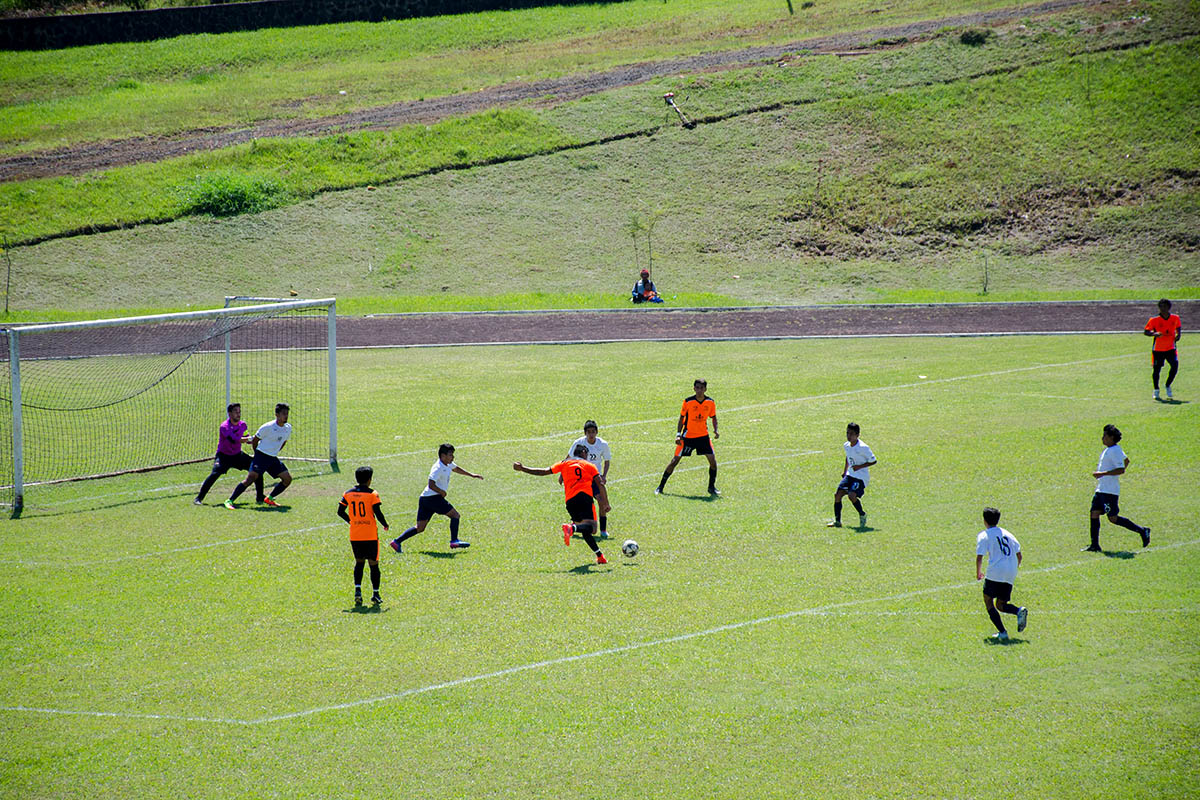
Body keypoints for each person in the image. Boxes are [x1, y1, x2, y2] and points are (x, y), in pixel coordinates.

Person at [513, 444, 611, 565]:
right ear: (583, 453)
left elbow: (543, 472)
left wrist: (523, 468)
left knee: (584, 529)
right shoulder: (589, 466)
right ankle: (572, 528)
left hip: (570, 502)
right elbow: (600, 484)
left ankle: (600, 556)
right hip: (584, 498)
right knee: (592, 528)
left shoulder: (564, 463)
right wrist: (605, 503)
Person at [388, 444, 482, 553]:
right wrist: (441, 492)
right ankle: (454, 541)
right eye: (450, 455)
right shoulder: (438, 468)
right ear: (443, 456)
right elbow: (431, 484)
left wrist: (472, 475)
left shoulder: (447, 464)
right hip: (433, 498)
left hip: (425, 498)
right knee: (455, 515)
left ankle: (396, 542)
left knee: (420, 527)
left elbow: (456, 469)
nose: (453, 457)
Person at [1084, 424, 1151, 552]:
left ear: (1111, 437)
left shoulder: (1114, 450)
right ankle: (1094, 545)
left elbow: (1121, 469)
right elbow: (1126, 461)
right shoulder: (1112, 449)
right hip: (1101, 489)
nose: (1102, 438)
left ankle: (1142, 531)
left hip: (1110, 491)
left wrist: (1102, 474)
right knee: (1094, 513)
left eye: (1105, 436)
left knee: (1113, 518)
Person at [337, 465, 389, 607]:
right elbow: (377, 512)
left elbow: (340, 511)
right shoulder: (373, 494)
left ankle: (358, 591)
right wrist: (385, 523)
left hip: (355, 535)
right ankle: (376, 594)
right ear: (369, 479)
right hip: (370, 535)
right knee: (374, 565)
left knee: (359, 563)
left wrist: (351, 521)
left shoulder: (348, 493)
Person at [656, 379, 719, 496]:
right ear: (694, 388)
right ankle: (660, 487)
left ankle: (711, 488)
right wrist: (678, 434)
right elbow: (681, 418)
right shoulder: (688, 402)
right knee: (674, 461)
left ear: (705, 389)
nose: (699, 390)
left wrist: (715, 430)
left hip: (703, 437)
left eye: (702, 388)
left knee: (713, 462)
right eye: (697, 388)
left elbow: (713, 417)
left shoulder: (710, 402)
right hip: (688, 437)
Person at [223, 403, 292, 509]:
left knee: (287, 479)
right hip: (261, 456)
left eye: (287, 414)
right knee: (250, 479)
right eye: (283, 414)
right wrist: (257, 453)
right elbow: (255, 440)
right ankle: (230, 500)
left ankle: (270, 498)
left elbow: (283, 442)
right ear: (277, 415)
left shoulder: (288, 428)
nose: (286, 416)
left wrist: (275, 451)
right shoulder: (267, 427)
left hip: (272, 458)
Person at [975, 507, 1027, 643]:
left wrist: (978, 572)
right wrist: (1013, 568)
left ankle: (1003, 632)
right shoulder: (1008, 534)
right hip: (1010, 571)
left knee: (988, 600)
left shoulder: (984, 535)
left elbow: (980, 557)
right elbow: (1019, 555)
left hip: (995, 571)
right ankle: (1018, 611)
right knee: (1001, 604)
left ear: (984, 520)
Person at [194, 402, 263, 505]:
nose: (238, 414)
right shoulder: (224, 426)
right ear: (229, 414)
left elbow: (246, 437)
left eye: (239, 412)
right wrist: (247, 439)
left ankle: (260, 497)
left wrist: (255, 439)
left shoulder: (242, 425)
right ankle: (199, 498)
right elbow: (233, 440)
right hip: (224, 456)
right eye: (236, 412)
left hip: (237, 455)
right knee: (214, 474)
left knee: (257, 469)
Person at [566, 420, 612, 539]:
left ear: (596, 432)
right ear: (585, 433)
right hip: (581, 478)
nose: (591, 434)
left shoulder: (602, 444)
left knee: (601, 501)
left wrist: (604, 475)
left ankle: (603, 530)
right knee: (580, 503)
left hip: (595, 478)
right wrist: (562, 474)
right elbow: (569, 457)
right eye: (588, 432)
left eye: (593, 432)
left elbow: (607, 461)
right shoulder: (579, 443)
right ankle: (575, 524)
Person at [826, 422, 876, 529]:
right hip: (850, 475)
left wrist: (859, 466)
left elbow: (874, 461)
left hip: (861, 478)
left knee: (851, 496)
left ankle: (862, 514)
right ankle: (837, 521)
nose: (849, 436)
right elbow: (848, 457)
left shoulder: (863, 447)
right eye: (847, 433)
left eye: (852, 434)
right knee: (838, 495)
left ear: (858, 435)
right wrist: (845, 471)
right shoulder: (846, 445)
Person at [1144, 298, 1181, 400]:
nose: (1163, 309)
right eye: (1161, 307)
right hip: (1158, 349)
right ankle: (1156, 390)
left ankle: (1168, 385)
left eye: (1165, 306)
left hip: (1171, 348)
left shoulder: (1175, 318)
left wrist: (1178, 335)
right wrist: (1154, 334)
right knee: (1157, 370)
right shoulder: (1154, 320)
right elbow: (1146, 331)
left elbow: (1178, 327)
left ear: (1169, 307)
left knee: (1175, 366)